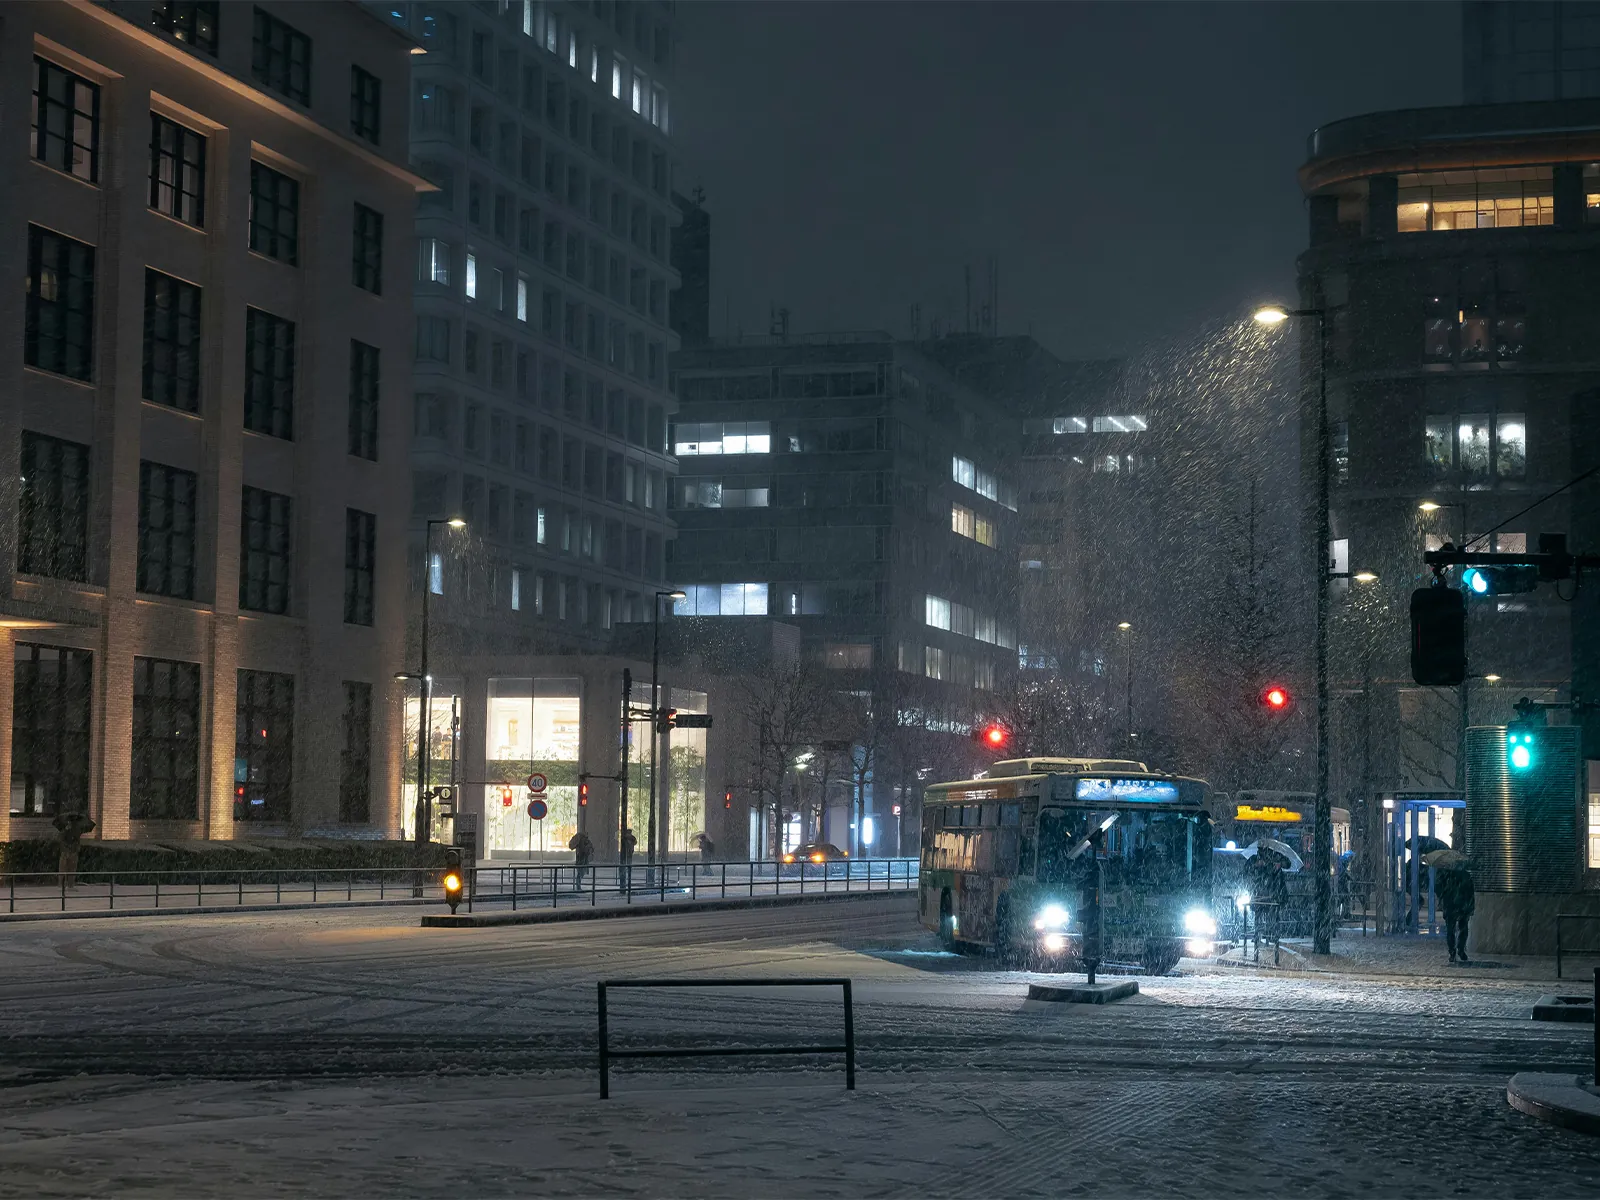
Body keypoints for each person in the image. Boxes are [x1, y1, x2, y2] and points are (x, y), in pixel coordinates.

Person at [1436, 860, 1475, 964]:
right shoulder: (1465, 875)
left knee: (1451, 930)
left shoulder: (1445, 875)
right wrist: (1471, 907)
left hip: (1450, 906)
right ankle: (1461, 950)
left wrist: (1443, 896)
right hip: (1462, 906)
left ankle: (1452, 952)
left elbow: (1438, 888)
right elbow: (1471, 892)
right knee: (1463, 929)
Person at [52, 810, 95, 888]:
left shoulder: (77, 828)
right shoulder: (66, 828)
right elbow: (61, 839)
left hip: (73, 851)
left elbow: (77, 840)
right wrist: (66, 830)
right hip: (66, 851)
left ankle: (70, 885)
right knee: (63, 869)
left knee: (71, 869)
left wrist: (76, 847)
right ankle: (62, 885)